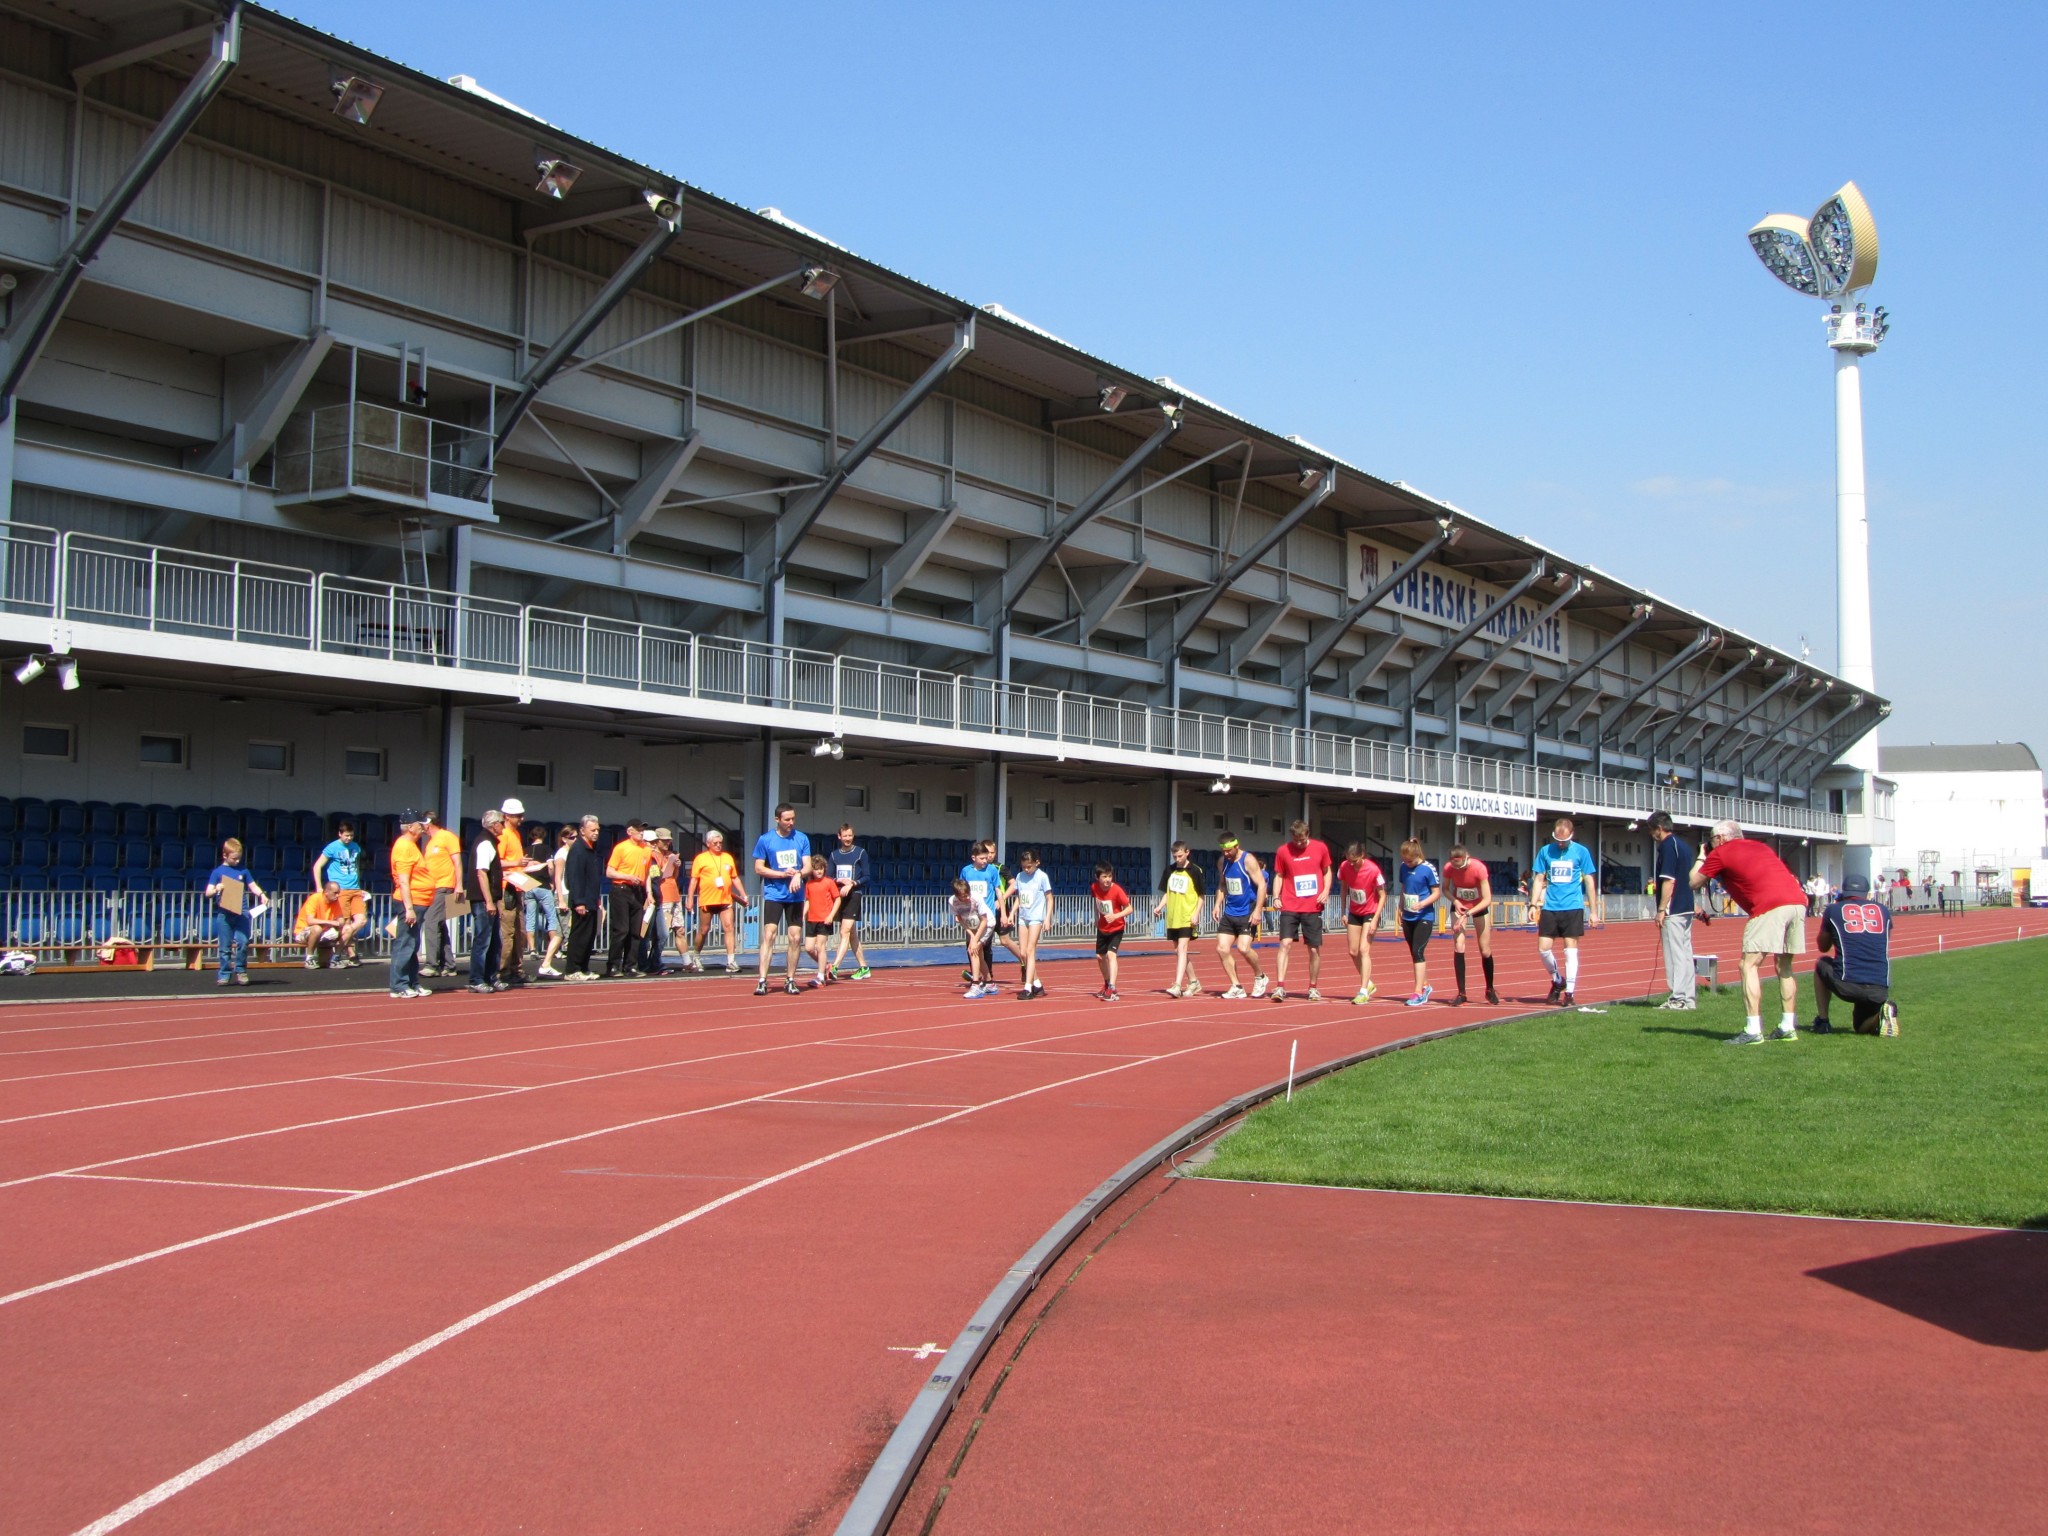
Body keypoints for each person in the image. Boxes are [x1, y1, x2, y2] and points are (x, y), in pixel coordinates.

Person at [1691, 820, 1810, 1044]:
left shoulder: (1721, 852)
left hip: (1769, 906)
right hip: (1797, 902)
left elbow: (1693, 881)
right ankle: (1787, 1026)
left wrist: (1702, 856)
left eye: (1712, 839)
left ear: (1721, 838)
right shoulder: (1761, 847)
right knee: (1784, 966)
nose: (1711, 843)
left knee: (1748, 965)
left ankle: (1753, 1029)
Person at [1813, 875, 1899, 1036]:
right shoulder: (1883, 911)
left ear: (1844, 892)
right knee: (1860, 1027)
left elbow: (1823, 947)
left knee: (1821, 963)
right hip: (1879, 986)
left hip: (1847, 982)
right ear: (1867, 893)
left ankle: (1823, 1021)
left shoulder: (1833, 910)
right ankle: (1881, 1016)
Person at [1530, 815, 1598, 1006]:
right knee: (1543, 948)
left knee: (1570, 950)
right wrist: (1533, 904)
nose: (1560, 844)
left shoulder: (1581, 852)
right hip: (1550, 906)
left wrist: (1593, 911)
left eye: (1564, 840)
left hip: (1572, 907)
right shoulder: (1545, 851)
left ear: (1572, 835)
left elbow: (1589, 882)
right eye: (1557, 840)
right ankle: (1558, 980)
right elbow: (1539, 879)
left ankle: (1570, 992)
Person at [1268, 819, 1333, 1003]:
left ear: (1307, 834)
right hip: (1290, 904)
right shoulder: (1283, 851)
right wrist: (1276, 897)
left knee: (1313, 949)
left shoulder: (1320, 848)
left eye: (1302, 840)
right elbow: (1279, 875)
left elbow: (1327, 871)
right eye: (1295, 840)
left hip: (1312, 906)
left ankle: (1313, 988)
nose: (1299, 844)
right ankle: (1280, 986)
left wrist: (1325, 891)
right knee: (1285, 943)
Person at [752, 804, 810, 996]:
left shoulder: (801, 838)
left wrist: (798, 874)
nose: (791, 822)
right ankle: (762, 980)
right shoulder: (766, 839)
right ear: (777, 819)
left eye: (793, 818)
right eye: (787, 819)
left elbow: (808, 866)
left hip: (795, 896)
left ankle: (790, 979)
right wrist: (782, 874)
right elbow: (758, 868)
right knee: (769, 934)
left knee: (795, 937)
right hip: (774, 894)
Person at [1647, 812, 1698, 1010]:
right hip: (1686, 907)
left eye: (1652, 830)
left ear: (1659, 829)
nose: (1651, 835)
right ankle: (1689, 998)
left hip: (1674, 908)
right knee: (1685, 953)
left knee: (1674, 954)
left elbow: (1669, 880)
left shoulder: (1667, 846)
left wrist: (1661, 909)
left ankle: (1678, 998)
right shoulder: (1683, 845)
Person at [1212, 834, 1269, 999]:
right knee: (1222, 948)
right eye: (1223, 851)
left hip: (1247, 910)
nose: (1226, 854)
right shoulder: (1222, 862)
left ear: (1237, 846)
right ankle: (1236, 986)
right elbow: (1222, 884)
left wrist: (1258, 910)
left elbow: (1262, 885)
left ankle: (1260, 976)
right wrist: (1217, 904)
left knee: (1244, 948)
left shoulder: (1248, 860)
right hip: (1230, 911)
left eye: (1229, 851)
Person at [204, 837, 266, 986]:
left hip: (241, 912)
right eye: (234, 859)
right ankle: (224, 973)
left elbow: (252, 886)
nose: (237, 861)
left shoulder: (243, 870)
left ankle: (241, 970)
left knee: (243, 942)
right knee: (225, 947)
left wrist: (261, 894)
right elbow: (208, 892)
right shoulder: (218, 872)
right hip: (224, 913)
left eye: (239, 858)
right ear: (225, 855)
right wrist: (216, 888)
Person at [1443, 843, 1497, 1005]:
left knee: (1484, 949)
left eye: (1460, 867)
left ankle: (1490, 989)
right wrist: (1456, 901)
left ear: (1467, 858)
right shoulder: (1449, 868)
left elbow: (1487, 899)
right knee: (1459, 946)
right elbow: (1445, 889)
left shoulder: (1479, 868)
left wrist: (1468, 913)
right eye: (1455, 866)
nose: (1457, 869)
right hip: (1459, 905)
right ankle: (1462, 993)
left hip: (1478, 906)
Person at [1152, 841, 1208, 998]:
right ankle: (1194, 981)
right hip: (1173, 917)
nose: (1177, 859)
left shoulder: (1195, 871)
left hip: (1187, 916)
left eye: (1180, 856)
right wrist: (1160, 906)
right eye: (1175, 856)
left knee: (1182, 949)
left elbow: (1201, 896)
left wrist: (1196, 913)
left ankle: (1177, 985)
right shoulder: (1169, 870)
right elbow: (1167, 893)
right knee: (1178, 951)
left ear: (1187, 852)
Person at [388, 812, 434, 998]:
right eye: (420, 825)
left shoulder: (410, 845)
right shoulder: (404, 847)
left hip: (418, 901)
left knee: (412, 945)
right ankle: (398, 985)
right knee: (405, 944)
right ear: (410, 827)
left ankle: (412, 982)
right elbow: (403, 880)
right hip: (411, 902)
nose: (423, 828)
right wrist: (409, 909)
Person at [495, 799, 539, 987]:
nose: (521, 819)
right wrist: (517, 863)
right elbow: (497, 861)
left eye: (521, 815)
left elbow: (514, 862)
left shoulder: (515, 834)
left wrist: (526, 865)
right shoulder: (504, 835)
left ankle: (516, 969)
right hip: (507, 888)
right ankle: (502, 971)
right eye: (517, 816)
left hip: (517, 886)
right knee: (508, 932)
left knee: (520, 931)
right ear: (507, 816)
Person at [311, 821, 367, 966]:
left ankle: (340, 945)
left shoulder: (355, 847)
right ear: (340, 834)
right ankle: (349, 954)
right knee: (346, 922)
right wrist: (319, 887)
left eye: (351, 835)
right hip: (341, 889)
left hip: (355, 888)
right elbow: (317, 866)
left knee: (361, 920)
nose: (349, 838)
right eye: (346, 835)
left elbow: (355, 867)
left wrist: (358, 885)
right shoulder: (332, 847)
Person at [602, 823, 655, 979]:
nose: (641, 833)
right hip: (621, 889)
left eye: (642, 830)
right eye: (638, 830)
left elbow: (647, 873)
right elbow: (609, 872)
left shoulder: (646, 849)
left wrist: (649, 892)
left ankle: (630, 966)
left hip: (637, 891)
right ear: (629, 831)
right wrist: (628, 877)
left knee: (635, 931)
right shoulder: (621, 848)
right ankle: (613, 965)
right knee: (621, 930)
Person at [689, 829, 745, 973]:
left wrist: (743, 894)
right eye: (715, 843)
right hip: (707, 899)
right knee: (704, 929)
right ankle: (696, 956)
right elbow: (694, 880)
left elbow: (735, 878)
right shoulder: (701, 858)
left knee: (729, 927)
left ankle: (731, 961)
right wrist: (689, 899)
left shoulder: (727, 857)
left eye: (720, 843)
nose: (718, 845)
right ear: (708, 844)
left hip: (725, 899)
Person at [1337, 844, 1386, 1005]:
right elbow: (1344, 888)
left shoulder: (1373, 870)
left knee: (1364, 950)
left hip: (1370, 912)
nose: (1352, 864)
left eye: (1355, 861)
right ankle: (1369, 983)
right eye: (1349, 861)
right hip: (1354, 912)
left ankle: (1363, 990)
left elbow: (1382, 895)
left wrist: (1376, 919)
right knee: (1353, 951)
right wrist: (1343, 911)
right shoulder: (1344, 867)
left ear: (1362, 855)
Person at [1394, 839, 1440, 1006]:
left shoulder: (1428, 869)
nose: (1407, 864)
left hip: (1424, 916)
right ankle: (1425, 985)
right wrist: (1400, 907)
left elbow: (1436, 893)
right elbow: (1404, 888)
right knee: (1414, 954)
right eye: (1405, 861)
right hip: (1408, 916)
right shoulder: (1403, 868)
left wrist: (1422, 904)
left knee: (1418, 951)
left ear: (1417, 855)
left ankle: (1418, 992)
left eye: (1410, 861)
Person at [468, 808, 507, 994]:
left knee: (494, 942)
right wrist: (489, 901)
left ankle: (491, 976)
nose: (504, 826)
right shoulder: (485, 843)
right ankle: (476, 979)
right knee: (483, 940)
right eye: (502, 823)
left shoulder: (490, 842)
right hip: (483, 900)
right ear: (495, 824)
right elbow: (481, 873)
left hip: (488, 899)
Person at [562, 815, 605, 981]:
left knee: (589, 935)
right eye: (592, 830)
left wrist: (596, 898)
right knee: (579, 935)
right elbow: (575, 877)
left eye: (598, 830)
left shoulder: (590, 849)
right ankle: (572, 969)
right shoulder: (578, 850)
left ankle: (583, 967)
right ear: (582, 831)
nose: (596, 833)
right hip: (582, 900)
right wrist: (579, 901)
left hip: (591, 899)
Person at [828, 823, 873, 981]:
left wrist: (852, 883)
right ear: (839, 836)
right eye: (845, 836)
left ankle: (834, 967)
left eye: (850, 835)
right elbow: (828, 876)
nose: (847, 838)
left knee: (844, 931)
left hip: (854, 895)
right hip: (840, 897)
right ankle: (864, 967)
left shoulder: (860, 853)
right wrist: (839, 880)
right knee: (852, 934)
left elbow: (866, 876)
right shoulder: (834, 855)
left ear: (853, 836)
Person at [420, 812, 462, 976]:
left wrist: (459, 885)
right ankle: (449, 964)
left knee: (431, 921)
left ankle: (432, 964)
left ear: (428, 823)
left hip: (444, 886)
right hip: (433, 887)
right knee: (439, 924)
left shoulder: (447, 837)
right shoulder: (431, 842)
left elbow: (457, 862)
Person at [1010, 847, 1053, 998]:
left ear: (1037, 863)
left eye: (1029, 866)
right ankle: (1038, 984)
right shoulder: (1020, 876)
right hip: (1023, 916)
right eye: (1024, 867)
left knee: (1030, 950)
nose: (1026, 870)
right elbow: (1019, 896)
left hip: (1036, 917)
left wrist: (1047, 918)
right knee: (1023, 953)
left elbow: (1049, 898)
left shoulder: (1042, 877)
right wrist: (1012, 912)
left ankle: (1028, 987)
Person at [526, 826, 567, 978]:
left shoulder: (527, 849)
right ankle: (554, 950)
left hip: (528, 886)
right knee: (551, 918)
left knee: (530, 917)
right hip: (542, 886)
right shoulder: (546, 849)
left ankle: (532, 949)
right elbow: (550, 867)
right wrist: (551, 880)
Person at [1091, 860, 1132, 1002]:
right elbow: (1096, 902)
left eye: (1109, 876)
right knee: (1100, 957)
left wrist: (1115, 916)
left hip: (1116, 928)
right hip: (1103, 928)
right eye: (1104, 877)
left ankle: (1113, 988)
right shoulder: (1094, 887)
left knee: (1111, 955)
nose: (1107, 880)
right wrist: (1096, 917)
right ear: (1097, 877)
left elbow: (1129, 908)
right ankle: (1107, 983)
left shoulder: (1117, 890)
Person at [800, 854, 842, 988]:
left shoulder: (829, 882)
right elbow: (808, 900)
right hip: (812, 919)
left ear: (824, 869)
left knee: (820, 947)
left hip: (825, 919)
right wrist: (803, 913)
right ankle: (826, 965)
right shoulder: (809, 884)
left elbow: (837, 899)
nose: (818, 871)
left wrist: (831, 916)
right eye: (816, 869)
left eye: (821, 868)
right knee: (809, 948)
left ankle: (820, 976)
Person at [950, 877, 995, 998]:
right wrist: (971, 935)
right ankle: (990, 983)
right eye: (963, 896)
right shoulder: (952, 901)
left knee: (973, 950)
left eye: (967, 895)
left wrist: (975, 940)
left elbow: (984, 921)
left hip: (987, 924)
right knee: (978, 955)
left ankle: (975, 985)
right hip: (972, 926)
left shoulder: (976, 898)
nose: (967, 898)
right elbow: (960, 919)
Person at [294, 880, 349, 969]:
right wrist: (330, 922)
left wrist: (338, 923)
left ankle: (335, 958)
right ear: (326, 892)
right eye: (335, 893)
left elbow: (341, 921)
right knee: (317, 928)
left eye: (338, 893)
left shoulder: (335, 902)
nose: (337, 895)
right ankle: (309, 958)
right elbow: (310, 921)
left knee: (348, 928)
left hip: (323, 932)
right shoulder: (315, 898)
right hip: (303, 932)